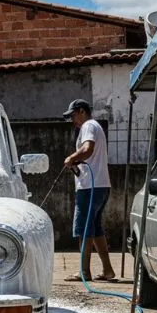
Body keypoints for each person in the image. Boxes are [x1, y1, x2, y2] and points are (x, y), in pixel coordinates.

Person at [61, 99, 116, 282]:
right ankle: (108, 270)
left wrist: (71, 158)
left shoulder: (88, 126)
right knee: (95, 229)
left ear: (82, 111)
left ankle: (84, 272)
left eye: (73, 115)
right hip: (101, 185)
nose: (72, 120)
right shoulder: (95, 126)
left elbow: (87, 149)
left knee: (84, 228)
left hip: (89, 187)